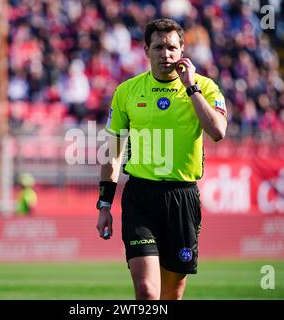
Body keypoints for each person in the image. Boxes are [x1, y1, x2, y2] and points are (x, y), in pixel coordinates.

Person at [96, 18, 227, 300]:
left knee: (172, 294)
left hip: (183, 198)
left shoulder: (206, 87)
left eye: (171, 48)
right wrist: (104, 204)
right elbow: (112, 151)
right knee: (146, 292)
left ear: (182, 50)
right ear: (146, 50)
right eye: (158, 47)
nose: (165, 54)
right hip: (140, 197)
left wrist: (191, 87)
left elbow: (217, 131)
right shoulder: (127, 91)